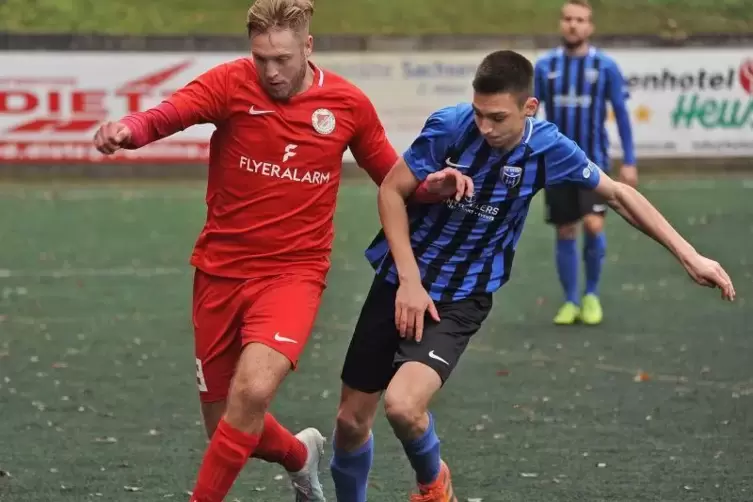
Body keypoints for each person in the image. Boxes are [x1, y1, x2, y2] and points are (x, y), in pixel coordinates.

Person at [92, 1, 470, 501]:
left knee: (249, 395)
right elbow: (168, 114)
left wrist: (431, 187)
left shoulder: (347, 104)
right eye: (261, 58)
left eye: (282, 59)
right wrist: (129, 131)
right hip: (219, 271)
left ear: (308, 47)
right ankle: (300, 455)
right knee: (227, 426)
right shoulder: (229, 83)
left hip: (293, 275)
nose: (270, 71)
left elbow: (391, 176)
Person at [329, 49, 735, 502]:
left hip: (462, 295)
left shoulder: (547, 147)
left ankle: (432, 484)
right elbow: (391, 190)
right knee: (349, 423)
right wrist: (408, 279)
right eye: (479, 114)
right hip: (399, 281)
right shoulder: (448, 126)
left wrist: (689, 255)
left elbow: (618, 195)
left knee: (403, 408)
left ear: (529, 108)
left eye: (497, 118)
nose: (485, 127)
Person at [534, 0, 637, 325]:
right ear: (561, 23)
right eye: (568, 19)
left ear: (590, 26)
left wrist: (630, 160)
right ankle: (570, 301)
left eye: (580, 20)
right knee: (565, 229)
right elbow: (531, 114)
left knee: (593, 225)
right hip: (556, 162)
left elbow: (621, 114)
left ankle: (591, 295)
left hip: (594, 161)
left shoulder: (605, 66)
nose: (573, 25)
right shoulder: (545, 66)